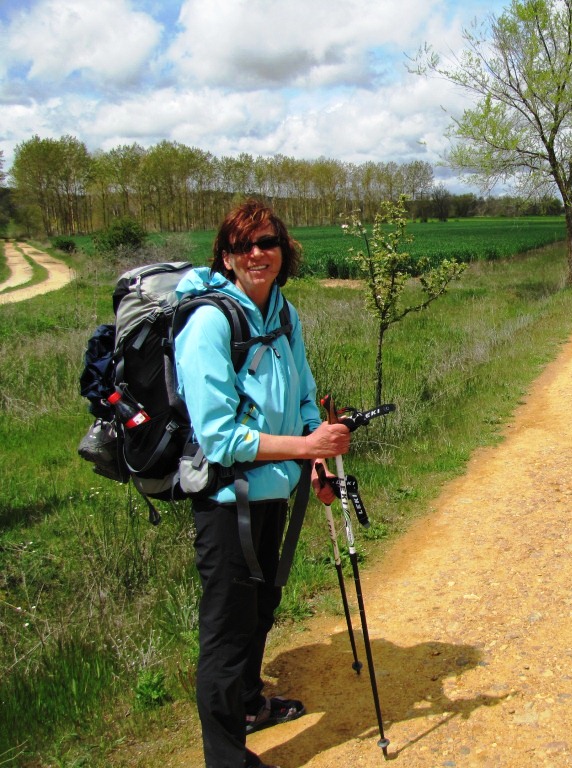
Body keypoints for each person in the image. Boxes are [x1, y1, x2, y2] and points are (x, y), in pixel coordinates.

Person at [174, 199, 350, 768]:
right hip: (227, 499)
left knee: (262, 605)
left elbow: (303, 395)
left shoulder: (284, 314)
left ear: (283, 252)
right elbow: (221, 438)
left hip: (274, 490)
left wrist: (317, 455)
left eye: (267, 243)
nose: (257, 254)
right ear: (225, 256)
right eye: (243, 245)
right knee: (226, 632)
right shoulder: (208, 324)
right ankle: (226, 758)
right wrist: (306, 448)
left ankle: (250, 705)